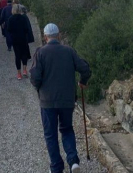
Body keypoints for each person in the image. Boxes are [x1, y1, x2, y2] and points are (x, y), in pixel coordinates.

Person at [30, 23, 91, 173]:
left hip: (47, 101)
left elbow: (35, 77)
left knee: (50, 135)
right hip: (67, 100)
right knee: (67, 129)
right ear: (58, 35)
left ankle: (56, 167)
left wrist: (38, 87)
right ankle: (73, 161)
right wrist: (82, 82)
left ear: (45, 37)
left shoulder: (40, 53)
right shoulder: (69, 51)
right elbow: (85, 69)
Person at [7, 4, 29, 80]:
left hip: (15, 39)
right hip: (23, 38)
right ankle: (25, 70)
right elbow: (26, 29)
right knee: (24, 54)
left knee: (17, 56)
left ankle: (19, 73)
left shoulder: (10, 19)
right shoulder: (23, 18)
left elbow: (9, 29)